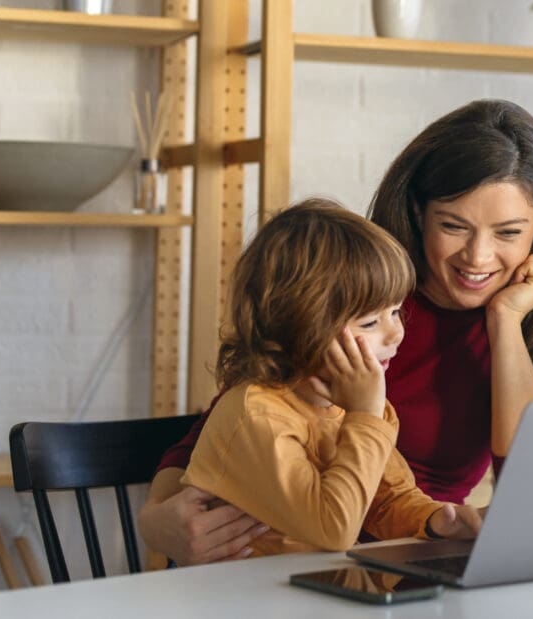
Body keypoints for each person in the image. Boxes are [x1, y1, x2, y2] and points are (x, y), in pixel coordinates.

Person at [137, 100, 533, 564]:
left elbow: (532, 498)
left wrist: (505, 325)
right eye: (453, 226)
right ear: (417, 209)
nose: (477, 256)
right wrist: (154, 518)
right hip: (287, 568)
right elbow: (234, 419)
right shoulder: (358, 297)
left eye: (508, 233)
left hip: (409, 560)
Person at [179, 199, 481, 556]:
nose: (396, 333)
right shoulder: (258, 416)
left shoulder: (342, 403)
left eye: (396, 312)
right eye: (370, 322)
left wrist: (434, 520)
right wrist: (365, 418)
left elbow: (385, 501)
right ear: (300, 324)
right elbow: (333, 531)